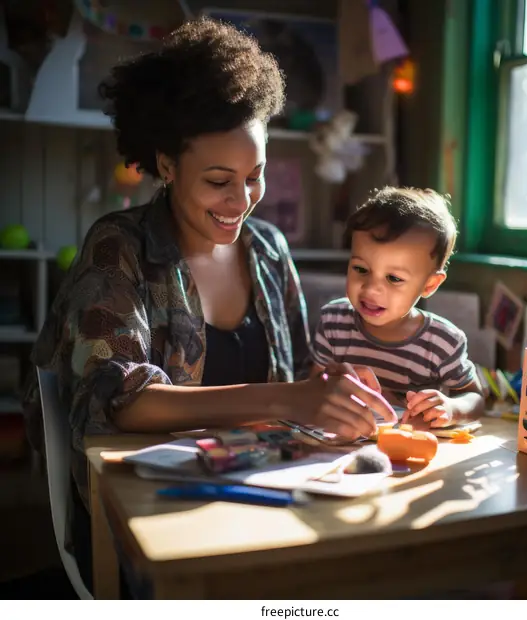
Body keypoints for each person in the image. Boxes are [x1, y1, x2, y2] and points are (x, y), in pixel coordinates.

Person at [21, 17, 396, 595]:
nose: (241, 200)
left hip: (266, 497)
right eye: (220, 180)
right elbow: (119, 401)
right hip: (157, 516)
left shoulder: (268, 249)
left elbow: (297, 374)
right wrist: (291, 396)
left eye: (256, 176)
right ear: (167, 166)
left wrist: (335, 386)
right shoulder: (119, 249)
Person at [311, 186, 484, 428]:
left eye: (393, 278)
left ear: (430, 284)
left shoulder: (442, 342)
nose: (371, 289)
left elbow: (475, 398)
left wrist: (452, 408)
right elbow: (312, 387)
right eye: (361, 269)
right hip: (342, 445)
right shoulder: (333, 322)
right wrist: (333, 379)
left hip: (410, 451)